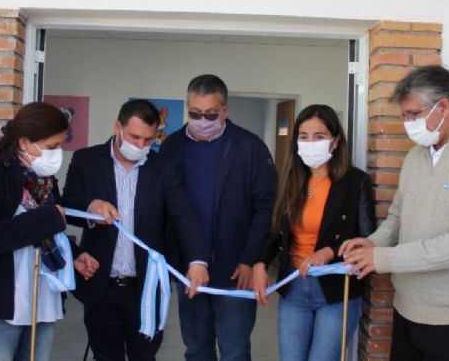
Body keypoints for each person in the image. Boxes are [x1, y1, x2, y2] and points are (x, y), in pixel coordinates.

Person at [339, 65, 449, 361]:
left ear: (444, 107)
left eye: (413, 114)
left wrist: (382, 258)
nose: (408, 123)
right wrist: (374, 243)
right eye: (404, 116)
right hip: (408, 310)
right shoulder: (415, 156)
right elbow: (397, 217)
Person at [61, 99, 209, 361]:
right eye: (135, 137)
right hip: (101, 286)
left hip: (146, 288)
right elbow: (67, 207)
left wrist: (197, 261)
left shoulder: (163, 166)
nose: (141, 146)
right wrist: (90, 208)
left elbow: (184, 215)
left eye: (149, 140)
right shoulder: (87, 160)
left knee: (144, 356)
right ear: (118, 126)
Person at [0, 102, 99, 361]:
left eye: (60, 145)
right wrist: (46, 218)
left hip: (40, 298)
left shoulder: (44, 180)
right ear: (24, 143)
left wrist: (74, 254)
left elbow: (51, 227)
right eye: (51, 146)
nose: (57, 153)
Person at [161, 74, 277, 361]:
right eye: (194, 113)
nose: (202, 120)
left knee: (234, 351)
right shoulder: (171, 147)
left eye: (210, 114)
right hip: (189, 269)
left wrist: (251, 259)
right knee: (197, 349)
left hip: (235, 271)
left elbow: (266, 208)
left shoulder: (250, 147)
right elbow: (164, 207)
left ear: (225, 109)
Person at [252, 104, 375, 361]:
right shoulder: (291, 180)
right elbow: (276, 233)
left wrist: (330, 252)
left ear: (335, 141)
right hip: (294, 286)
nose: (310, 143)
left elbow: (368, 242)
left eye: (319, 137)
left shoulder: (355, 182)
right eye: (304, 137)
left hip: (336, 292)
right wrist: (260, 263)